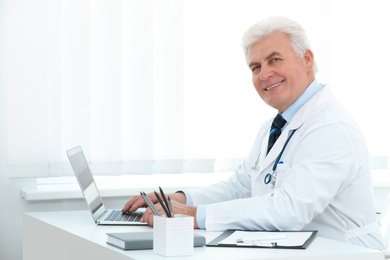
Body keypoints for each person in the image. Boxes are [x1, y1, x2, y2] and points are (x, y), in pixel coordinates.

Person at [122, 16, 385, 249]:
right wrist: (179, 199)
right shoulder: (276, 126)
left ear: (307, 59)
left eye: (274, 60)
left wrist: (193, 215)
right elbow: (240, 187)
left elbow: (290, 210)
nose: (264, 74)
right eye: (255, 67)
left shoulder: (330, 127)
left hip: (344, 251)